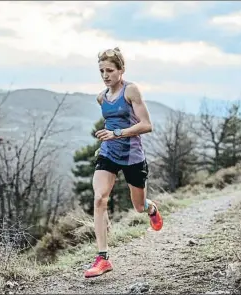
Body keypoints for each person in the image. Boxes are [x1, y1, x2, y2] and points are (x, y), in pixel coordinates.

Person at [84, 47, 163, 278]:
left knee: (138, 207)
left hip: (132, 156)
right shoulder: (102, 97)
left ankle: (152, 208)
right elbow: (111, 124)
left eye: (110, 70)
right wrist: (107, 139)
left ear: (121, 70)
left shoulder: (131, 91)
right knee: (99, 199)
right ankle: (102, 258)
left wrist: (117, 133)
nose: (105, 75)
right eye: (101, 71)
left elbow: (147, 125)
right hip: (108, 152)